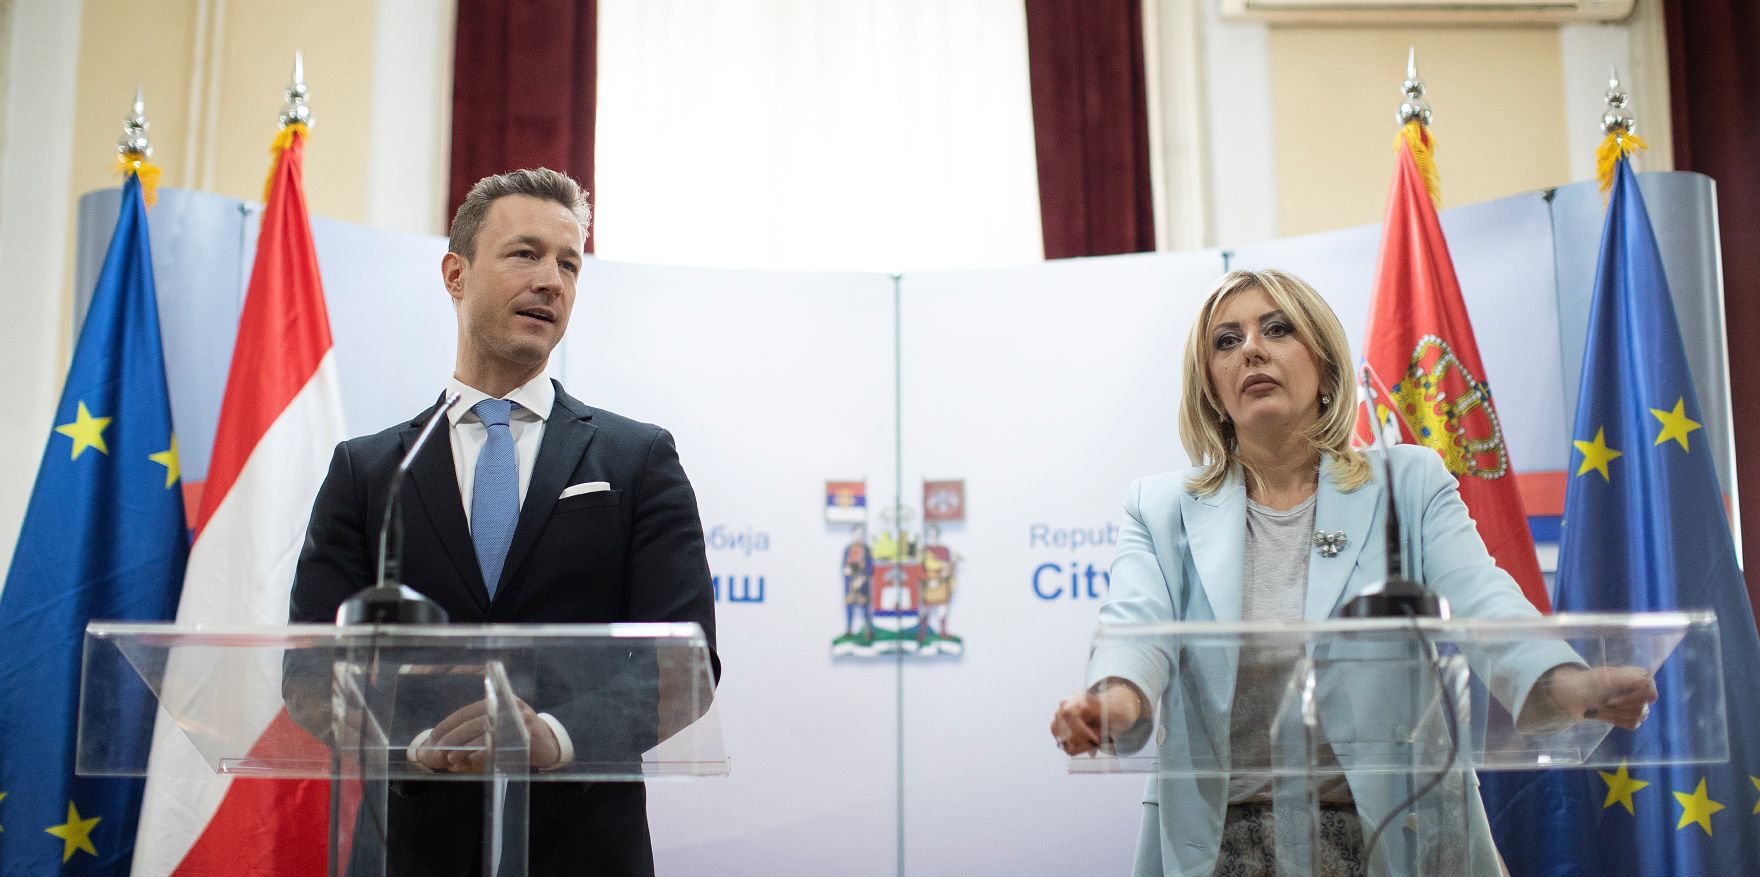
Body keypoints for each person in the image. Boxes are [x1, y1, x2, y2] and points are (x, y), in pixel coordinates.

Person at [1047, 269, 1655, 877]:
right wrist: (1112, 705)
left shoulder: (1406, 484)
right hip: (1222, 845)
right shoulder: (1159, 508)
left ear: (1327, 367)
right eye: (1226, 341)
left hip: (1396, 835)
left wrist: (1564, 682)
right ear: (1210, 386)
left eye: (1277, 329)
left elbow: (1482, 601)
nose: (1251, 348)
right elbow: (1137, 635)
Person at [289, 168, 717, 877]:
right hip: (410, 850)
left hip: (581, 849)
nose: (551, 280)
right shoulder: (371, 473)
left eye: (569, 263)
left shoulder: (637, 458)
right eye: (525, 254)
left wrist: (552, 735)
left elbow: (687, 661)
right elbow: (309, 671)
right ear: (455, 274)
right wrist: (415, 743)